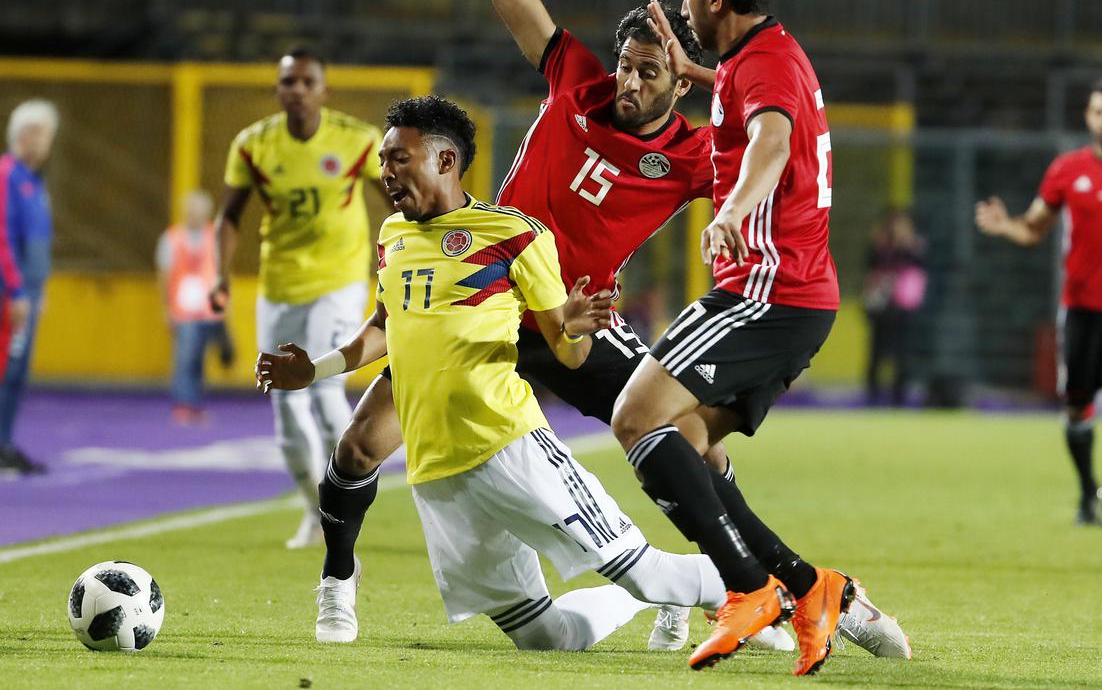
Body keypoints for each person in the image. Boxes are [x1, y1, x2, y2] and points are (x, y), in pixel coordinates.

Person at [305, 0, 905, 658]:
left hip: (576, 320)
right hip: (489, 311)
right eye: (625, 63)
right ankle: (337, 583)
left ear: (678, 86)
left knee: (683, 440)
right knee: (358, 446)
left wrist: (755, 212)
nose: (629, 80)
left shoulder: (693, 155)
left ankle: (768, 594)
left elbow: (771, 153)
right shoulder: (574, 82)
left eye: (649, 72)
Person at [258, 96, 756, 654]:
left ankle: (777, 593)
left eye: (400, 158)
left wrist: (573, 327)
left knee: (648, 572)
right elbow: (383, 323)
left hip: (511, 449)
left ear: (446, 162)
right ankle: (662, 599)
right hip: (438, 476)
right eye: (384, 160)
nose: (386, 172)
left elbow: (566, 354)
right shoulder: (393, 236)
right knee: (546, 638)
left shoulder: (514, 235)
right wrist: (317, 369)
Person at [608, 0, 899, 674]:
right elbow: (755, 104)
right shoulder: (760, 56)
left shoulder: (765, 67)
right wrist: (693, 71)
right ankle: (809, 588)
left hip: (767, 292)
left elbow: (770, 140)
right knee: (686, 438)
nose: (680, 9)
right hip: (796, 297)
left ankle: (746, 588)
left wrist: (734, 210)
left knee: (633, 416)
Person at [976, 77, 1102, 528]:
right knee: (1077, 405)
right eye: (1098, 112)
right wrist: (1004, 225)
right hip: (1081, 307)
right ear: (1089, 118)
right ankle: (1089, 492)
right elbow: (1033, 228)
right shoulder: (1067, 169)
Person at [210, 45, 385, 548]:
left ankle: (345, 500)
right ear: (278, 90)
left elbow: (397, 196)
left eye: (308, 82)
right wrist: (220, 275)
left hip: (338, 281)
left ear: (324, 90)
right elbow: (230, 217)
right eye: (289, 82)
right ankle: (318, 510)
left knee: (326, 392)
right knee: (284, 410)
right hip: (280, 286)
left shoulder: (357, 139)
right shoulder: (252, 145)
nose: (298, 90)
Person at [0, 100, 58, 478]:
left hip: (30, 292)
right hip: (13, 293)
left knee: (18, 372)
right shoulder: (4, 175)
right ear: (23, 133)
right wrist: (16, 290)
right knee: (0, 369)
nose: (46, 143)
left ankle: (5, 444)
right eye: (41, 134)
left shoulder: (31, 180)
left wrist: (38, 291)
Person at [156, 190, 235, 424]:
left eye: (199, 211)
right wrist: (166, 307)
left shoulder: (215, 237)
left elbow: (222, 273)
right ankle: (183, 404)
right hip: (184, 312)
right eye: (191, 211)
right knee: (185, 358)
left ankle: (194, 402)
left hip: (209, 311)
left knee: (199, 358)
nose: (195, 216)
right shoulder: (171, 239)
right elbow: (164, 275)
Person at [863, 208, 926, 406]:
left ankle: (899, 396)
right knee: (876, 352)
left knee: (902, 354)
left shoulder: (914, 247)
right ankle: (873, 395)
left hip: (903, 307)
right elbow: (871, 270)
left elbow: (918, 271)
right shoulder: (880, 248)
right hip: (881, 307)